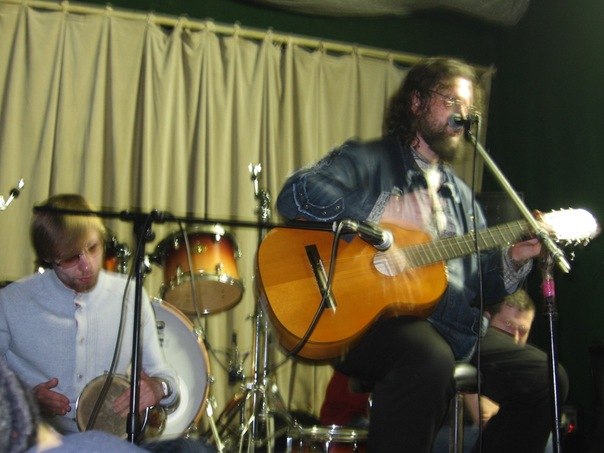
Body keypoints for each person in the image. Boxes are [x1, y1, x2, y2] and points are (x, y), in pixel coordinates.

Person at [276, 57, 568, 452]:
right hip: (370, 322)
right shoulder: (371, 160)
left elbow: (476, 285)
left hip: (453, 325)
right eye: (451, 100)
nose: (463, 114)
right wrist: (384, 209)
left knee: (547, 379)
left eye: (469, 107)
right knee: (429, 359)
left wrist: (513, 258)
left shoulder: (461, 199)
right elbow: (296, 193)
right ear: (416, 102)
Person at [0, 194, 178, 438]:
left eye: (93, 248)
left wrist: (159, 387)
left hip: (110, 443)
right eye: (70, 258)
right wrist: (26, 399)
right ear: (48, 258)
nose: (87, 266)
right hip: (38, 440)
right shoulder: (11, 302)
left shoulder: (130, 295)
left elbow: (165, 378)